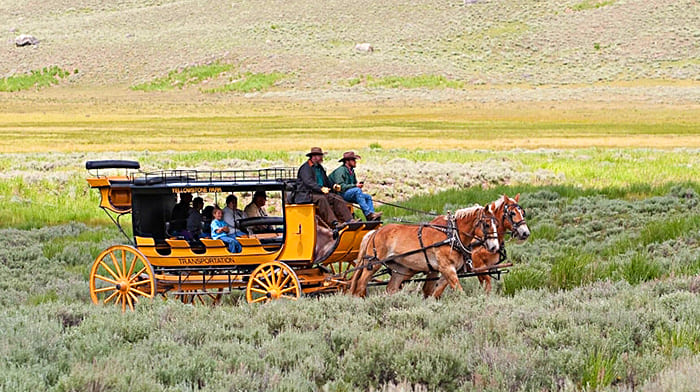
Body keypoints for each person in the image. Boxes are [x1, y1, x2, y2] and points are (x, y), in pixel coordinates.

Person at [292, 147, 354, 227]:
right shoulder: (305, 168)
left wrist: (333, 186)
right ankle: (334, 223)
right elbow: (309, 182)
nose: (322, 158)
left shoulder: (320, 168)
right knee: (322, 199)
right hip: (307, 194)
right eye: (320, 156)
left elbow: (326, 181)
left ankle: (349, 220)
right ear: (314, 157)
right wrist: (320, 188)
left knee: (336, 197)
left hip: (320, 192)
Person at [329, 151, 382, 221]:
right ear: (347, 161)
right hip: (339, 195)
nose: (355, 162)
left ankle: (371, 217)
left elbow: (353, 184)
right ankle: (368, 213)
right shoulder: (340, 171)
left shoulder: (352, 171)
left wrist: (357, 185)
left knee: (368, 197)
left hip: (348, 194)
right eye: (353, 160)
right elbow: (341, 187)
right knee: (357, 191)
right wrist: (355, 186)